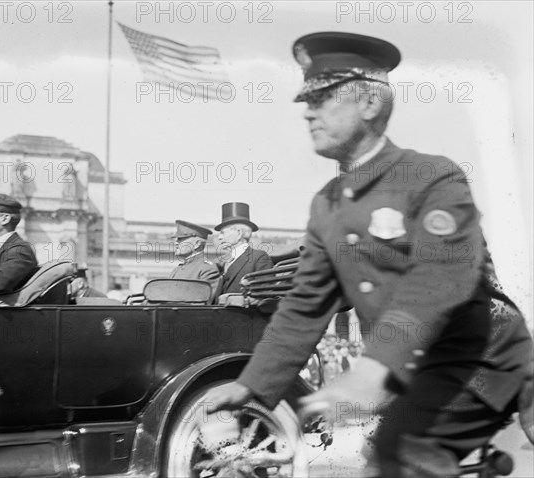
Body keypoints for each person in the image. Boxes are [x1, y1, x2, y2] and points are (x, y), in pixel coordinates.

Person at [203, 32, 533, 477]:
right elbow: (304, 309)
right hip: (418, 372)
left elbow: (438, 280)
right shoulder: (327, 205)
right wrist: (252, 385)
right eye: (307, 98)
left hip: (480, 357)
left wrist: (372, 368)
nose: (308, 110)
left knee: (400, 462)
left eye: (323, 97)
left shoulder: (432, 177)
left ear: (371, 105)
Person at [214, 202, 273, 295]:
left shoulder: (259, 258)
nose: (219, 237)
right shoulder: (225, 261)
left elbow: (263, 295)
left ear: (238, 233)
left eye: (222, 232)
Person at [169, 220, 221, 301]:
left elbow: (202, 303)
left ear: (197, 244)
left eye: (181, 239)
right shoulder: (176, 270)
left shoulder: (207, 270)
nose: (176, 243)